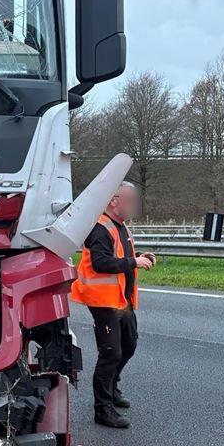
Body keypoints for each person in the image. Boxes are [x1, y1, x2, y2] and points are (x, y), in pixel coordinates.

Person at [70, 182, 156, 428]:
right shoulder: (99, 227)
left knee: (129, 344)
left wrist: (140, 257)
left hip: (121, 299)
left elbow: (121, 255)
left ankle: (112, 387)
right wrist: (133, 262)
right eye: (128, 199)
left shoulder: (120, 226)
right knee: (111, 354)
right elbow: (101, 263)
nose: (133, 204)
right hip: (104, 301)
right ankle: (102, 410)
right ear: (113, 200)